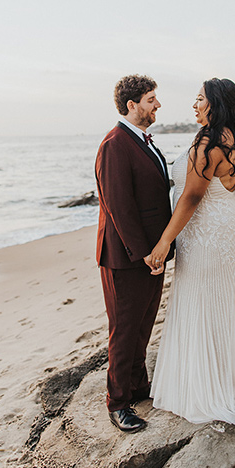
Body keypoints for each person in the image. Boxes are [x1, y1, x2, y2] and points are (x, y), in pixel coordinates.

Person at [145, 78, 235, 425]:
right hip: (223, 227)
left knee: (205, 299)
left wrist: (163, 242)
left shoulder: (210, 140)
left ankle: (212, 387)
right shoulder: (228, 135)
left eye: (199, 100)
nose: (194, 106)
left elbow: (192, 196)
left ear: (215, 104)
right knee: (220, 299)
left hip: (209, 234)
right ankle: (225, 376)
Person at [95, 74, 174, 433]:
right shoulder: (114, 145)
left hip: (149, 254)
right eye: (151, 99)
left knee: (144, 323)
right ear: (132, 105)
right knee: (124, 328)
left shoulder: (144, 141)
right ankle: (118, 402)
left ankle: (139, 386)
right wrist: (145, 253)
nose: (157, 104)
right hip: (126, 256)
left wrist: (161, 249)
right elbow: (119, 207)